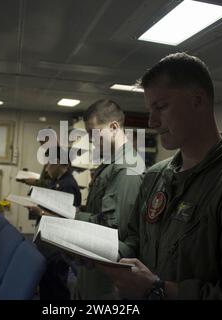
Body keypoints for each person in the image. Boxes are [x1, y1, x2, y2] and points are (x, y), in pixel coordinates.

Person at [99, 52, 222, 299]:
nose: (151, 122)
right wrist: (97, 251)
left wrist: (159, 290)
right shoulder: (155, 177)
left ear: (197, 100)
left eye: (161, 107)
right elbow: (135, 242)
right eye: (149, 110)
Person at [73, 99, 145, 299]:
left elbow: (113, 230)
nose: (90, 139)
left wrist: (71, 218)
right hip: (93, 269)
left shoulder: (127, 168)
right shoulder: (112, 163)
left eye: (92, 133)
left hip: (108, 280)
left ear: (113, 127)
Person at [28, 147, 81, 300]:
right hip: (49, 242)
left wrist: (40, 212)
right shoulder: (58, 182)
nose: (46, 168)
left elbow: (65, 219)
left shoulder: (67, 185)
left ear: (58, 162)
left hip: (57, 247)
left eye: (48, 163)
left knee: (56, 287)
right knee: (47, 284)